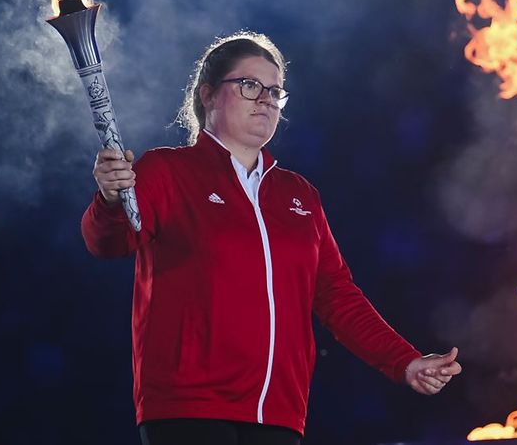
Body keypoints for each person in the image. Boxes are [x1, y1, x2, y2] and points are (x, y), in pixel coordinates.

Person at [82, 32, 461, 445]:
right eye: (249, 85)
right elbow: (109, 242)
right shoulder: (166, 171)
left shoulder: (299, 195)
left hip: (280, 415)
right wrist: (110, 199)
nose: (265, 99)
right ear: (208, 95)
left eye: (275, 91)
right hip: (189, 408)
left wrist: (404, 361)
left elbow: (336, 295)